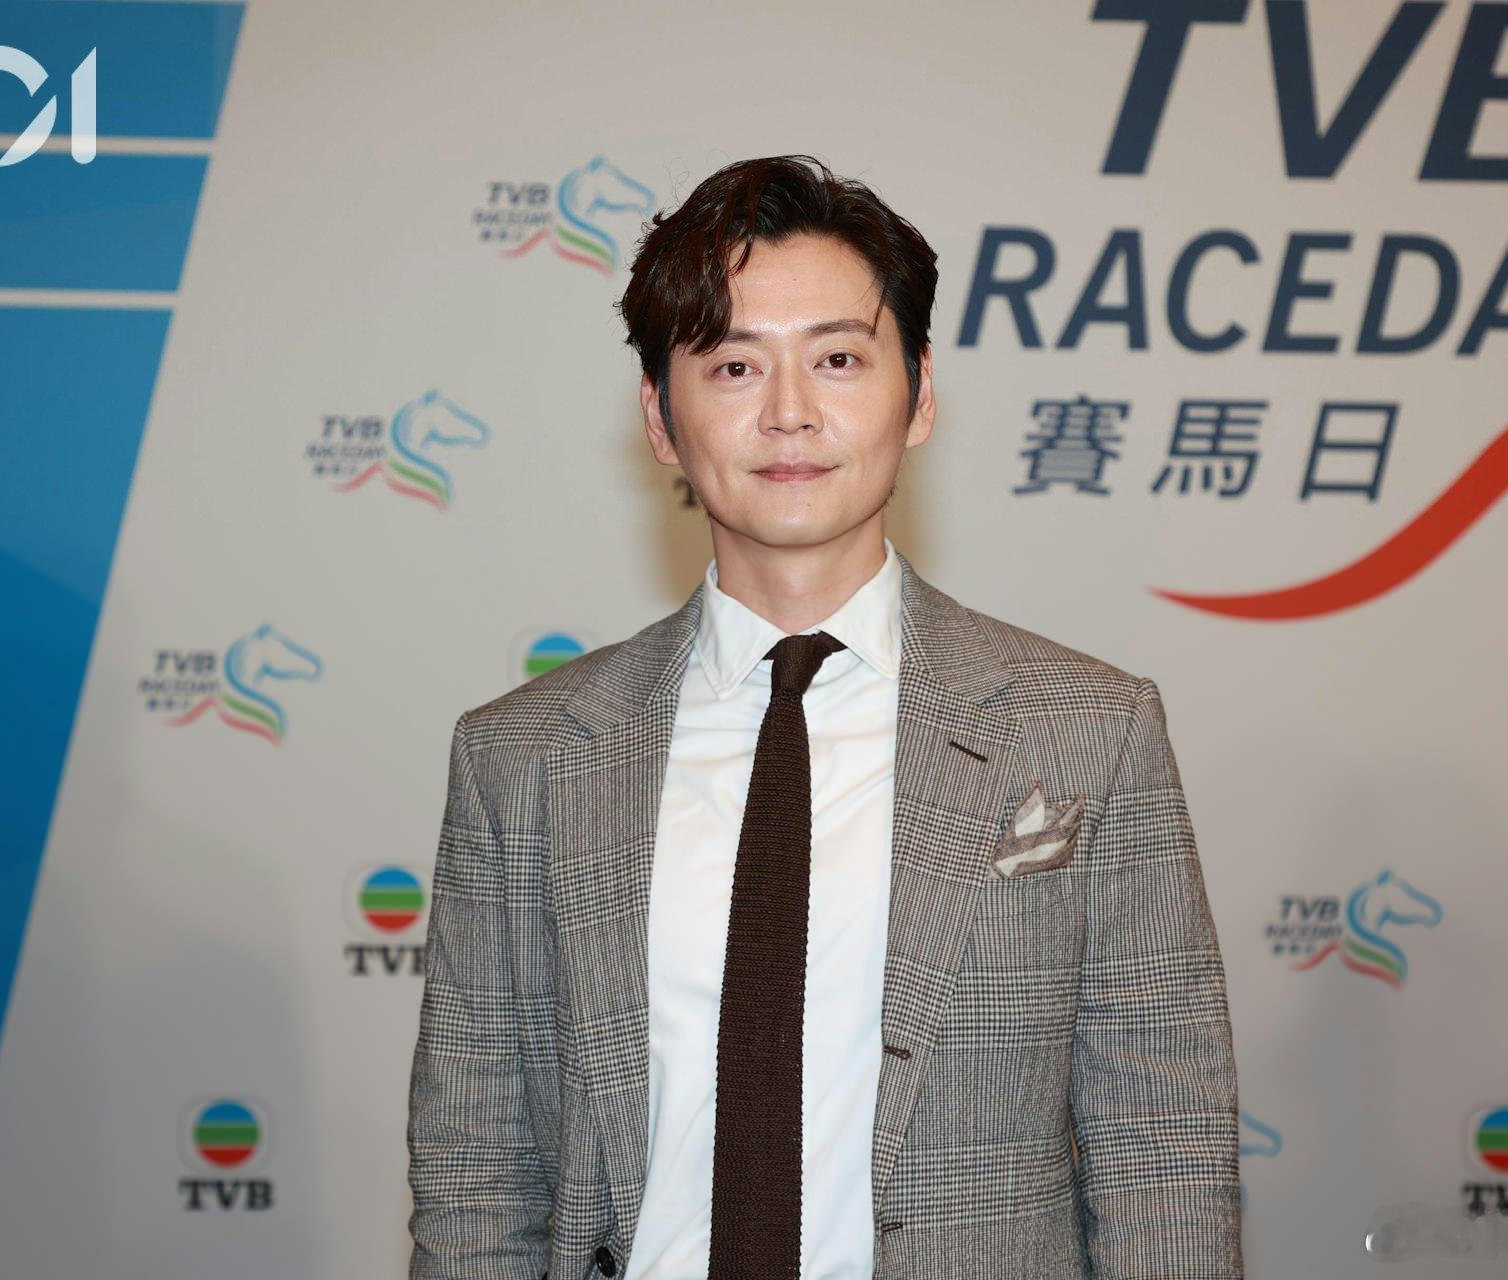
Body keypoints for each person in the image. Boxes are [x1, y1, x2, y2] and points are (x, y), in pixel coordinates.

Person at [406, 154, 1242, 1279]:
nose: (789, 412)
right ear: (660, 417)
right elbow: (478, 1171)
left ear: (920, 394)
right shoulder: (523, 756)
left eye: (839, 358)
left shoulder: (1089, 730)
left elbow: (1164, 1157)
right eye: (733, 364)